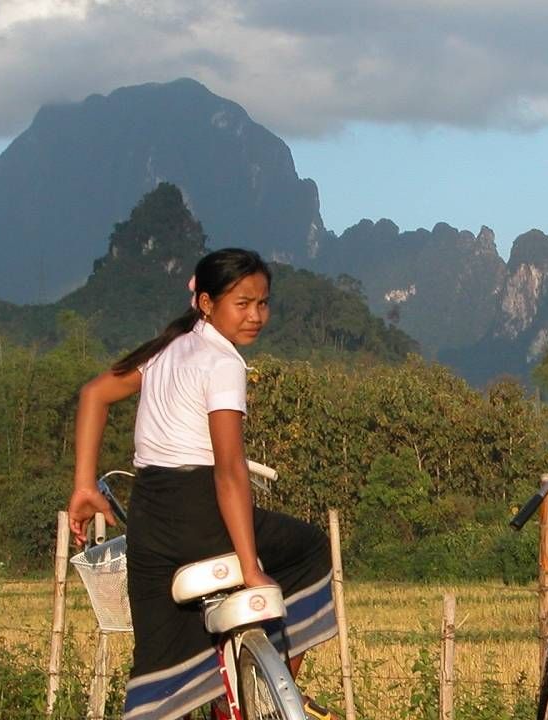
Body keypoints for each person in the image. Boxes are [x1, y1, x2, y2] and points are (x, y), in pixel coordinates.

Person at [66, 248, 339, 720]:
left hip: (150, 523)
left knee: (155, 663)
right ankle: (269, 695)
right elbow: (229, 471)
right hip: (200, 512)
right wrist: (250, 566)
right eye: (243, 303)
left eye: (263, 303)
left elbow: (94, 394)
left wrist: (84, 486)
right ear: (207, 303)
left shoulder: (164, 349)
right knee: (312, 548)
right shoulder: (223, 362)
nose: (256, 316)